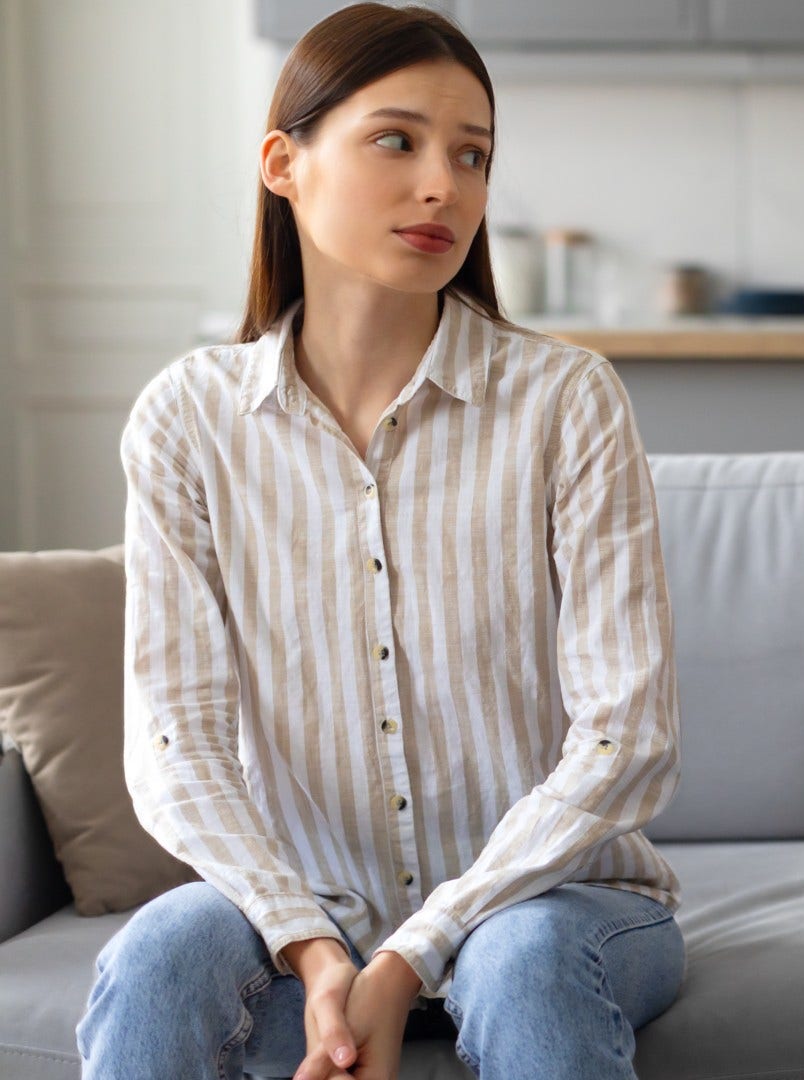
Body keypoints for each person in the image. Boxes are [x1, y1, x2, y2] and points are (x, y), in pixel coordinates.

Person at [78, 6, 683, 1078]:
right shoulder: (186, 419)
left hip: (554, 908)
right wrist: (312, 947)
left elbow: (626, 735)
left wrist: (408, 957)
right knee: (162, 957)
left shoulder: (568, 400)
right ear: (284, 164)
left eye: (472, 155)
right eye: (397, 141)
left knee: (524, 965)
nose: (443, 185)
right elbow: (176, 744)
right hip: (304, 917)